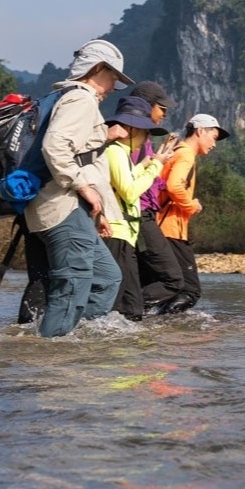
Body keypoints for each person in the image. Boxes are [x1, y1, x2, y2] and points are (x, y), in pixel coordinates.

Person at [25, 39, 131, 338]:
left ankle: (70, 338)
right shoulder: (80, 100)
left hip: (73, 209)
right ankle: (51, 360)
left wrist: (98, 210)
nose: (113, 86)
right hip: (62, 206)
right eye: (113, 77)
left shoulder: (66, 97)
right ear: (97, 69)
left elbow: (84, 159)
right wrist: (84, 188)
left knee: (107, 278)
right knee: (72, 285)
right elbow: (55, 147)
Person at [98, 96, 175, 321]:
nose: (146, 138)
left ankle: (122, 350)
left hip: (126, 234)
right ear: (131, 129)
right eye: (144, 131)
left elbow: (130, 179)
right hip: (116, 232)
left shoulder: (122, 154)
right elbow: (130, 191)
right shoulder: (115, 151)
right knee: (126, 306)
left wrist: (150, 162)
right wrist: (156, 166)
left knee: (130, 306)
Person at [146, 112, 229, 314]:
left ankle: (151, 323)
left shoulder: (176, 150)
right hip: (170, 229)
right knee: (190, 291)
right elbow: (174, 186)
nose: (214, 144)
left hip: (162, 227)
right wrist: (192, 205)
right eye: (213, 138)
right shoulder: (185, 154)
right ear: (200, 131)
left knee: (170, 284)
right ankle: (157, 323)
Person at [128, 81, 186, 310]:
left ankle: (130, 315)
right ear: (147, 106)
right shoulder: (133, 138)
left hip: (143, 213)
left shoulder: (143, 138)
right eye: (161, 108)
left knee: (141, 275)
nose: (164, 114)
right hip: (139, 215)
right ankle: (129, 310)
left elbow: (150, 179)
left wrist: (161, 161)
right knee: (172, 279)